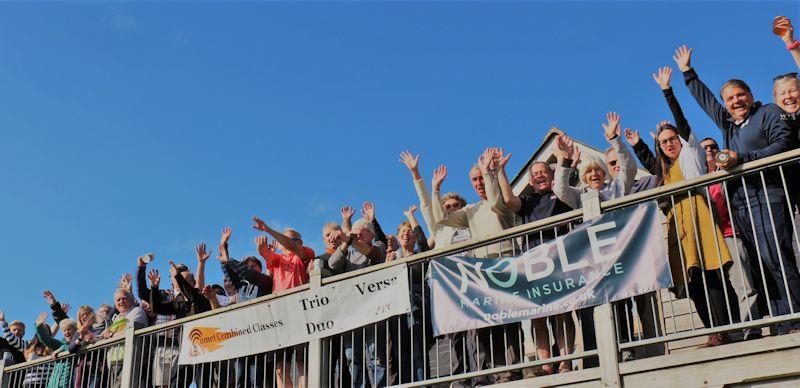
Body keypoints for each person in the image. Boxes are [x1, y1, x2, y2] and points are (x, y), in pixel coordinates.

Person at [676, 44, 800, 334]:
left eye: (740, 95)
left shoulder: (768, 113)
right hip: (741, 202)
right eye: (730, 98)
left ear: (751, 96)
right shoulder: (728, 124)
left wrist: (741, 159)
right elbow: (706, 101)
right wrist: (688, 74)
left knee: (777, 257)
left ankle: (796, 317)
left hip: (769, 194)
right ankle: (781, 323)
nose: (735, 101)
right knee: (759, 265)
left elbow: (783, 145)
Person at [430, 148, 522, 383]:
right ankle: (498, 371)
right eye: (475, 179)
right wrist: (435, 190)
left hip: (505, 268)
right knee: (485, 323)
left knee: (508, 320)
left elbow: (494, 201)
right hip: (481, 273)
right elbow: (441, 219)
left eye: (481, 178)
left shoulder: (499, 201)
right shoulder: (470, 210)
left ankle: (513, 370)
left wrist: (489, 172)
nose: (479, 182)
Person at [494, 152, 576, 374]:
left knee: (563, 313)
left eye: (543, 172)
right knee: (538, 316)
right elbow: (509, 200)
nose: (540, 176)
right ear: (530, 180)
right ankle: (546, 365)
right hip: (534, 265)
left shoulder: (562, 196)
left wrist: (564, 161)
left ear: (551, 176)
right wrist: (500, 170)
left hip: (559, 262)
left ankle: (565, 362)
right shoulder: (528, 202)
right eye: (536, 174)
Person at [252, 216, 314, 388]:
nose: (288, 242)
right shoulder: (278, 260)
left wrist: (268, 230)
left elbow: (292, 247)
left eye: (293, 239)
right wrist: (262, 249)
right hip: (279, 316)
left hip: (300, 312)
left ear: (300, 242)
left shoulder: (304, 254)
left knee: (301, 364)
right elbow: (266, 255)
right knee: (280, 367)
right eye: (285, 239)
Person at [218, 227, 273, 388]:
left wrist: (228, 258)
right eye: (247, 265)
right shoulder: (240, 285)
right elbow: (227, 270)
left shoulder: (264, 281)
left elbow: (246, 272)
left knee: (257, 378)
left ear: (259, 268)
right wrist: (224, 246)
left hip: (259, 333)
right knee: (241, 377)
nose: (249, 268)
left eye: (253, 265)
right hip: (241, 335)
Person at [399, 151, 472, 249]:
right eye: (447, 206)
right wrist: (415, 173)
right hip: (445, 263)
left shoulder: (470, 224)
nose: (451, 208)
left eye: (455, 205)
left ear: (462, 207)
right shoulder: (439, 227)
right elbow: (426, 203)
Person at [34, 312, 82, 388]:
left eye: (68, 329)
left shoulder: (79, 341)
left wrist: (61, 349)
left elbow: (72, 347)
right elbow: (45, 339)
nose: (66, 332)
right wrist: (39, 327)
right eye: (64, 330)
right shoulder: (60, 343)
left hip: (69, 384)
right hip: (53, 384)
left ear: (75, 330)